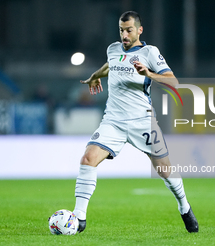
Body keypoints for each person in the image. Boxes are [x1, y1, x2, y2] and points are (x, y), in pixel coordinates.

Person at [74, 11, 198, 233]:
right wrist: (95, 75)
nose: (124, 34)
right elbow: (111, 65)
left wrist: (149, 73)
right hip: (113, 121)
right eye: (121, 30)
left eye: (129, 30)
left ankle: (184, 207)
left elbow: (174, 82)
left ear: (139, 30)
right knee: (88, 158)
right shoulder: (113, 49)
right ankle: (79, 219)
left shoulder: (149, 52)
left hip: (143, 121)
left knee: (164, 170)